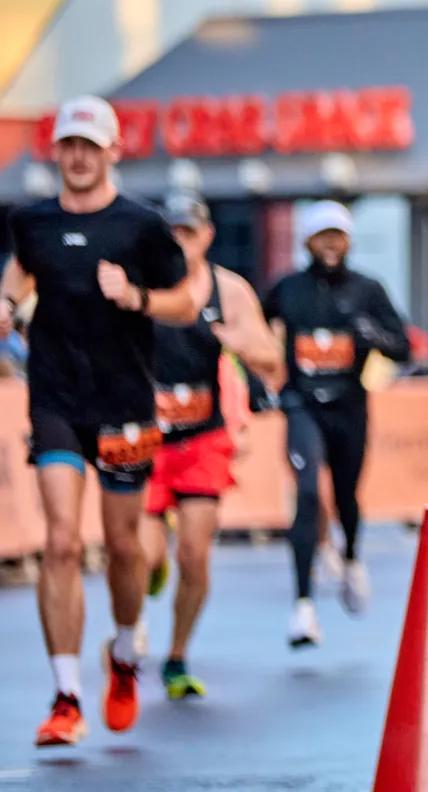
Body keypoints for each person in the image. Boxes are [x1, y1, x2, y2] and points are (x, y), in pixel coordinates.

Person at [3, 96, 198, 746]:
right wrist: (7, 299)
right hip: (56, 398)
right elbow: (26, 269)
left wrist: (138, 296)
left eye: (91, 144)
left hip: (125, 404)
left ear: (114, 150)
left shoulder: (141, 227)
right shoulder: (32, 221)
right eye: (68, 145)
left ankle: (121, 654)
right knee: (59, 542)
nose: (79, 156)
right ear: (56, 152)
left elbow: (187, 302)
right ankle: (65, 696)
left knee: (123, 547)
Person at [138, 194, 285, 699]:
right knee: (142, 552)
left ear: (207, 236)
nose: (182, 240)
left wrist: (237, 341)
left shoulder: (229, 289)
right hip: (147, 439)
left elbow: (270, 357)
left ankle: (176, 656)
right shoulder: (143, 285)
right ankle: (145, 580)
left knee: (195, 556)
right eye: (173, 231)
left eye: (190, 231)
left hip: (203, 438)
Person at [264, 201, 411, 648]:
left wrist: (376, 337)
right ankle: (303, 606)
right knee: (307, 492)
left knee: (347, 494)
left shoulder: (368, 289)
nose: (330, 244)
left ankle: (350, 557)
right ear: (307, 242)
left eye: (338, 236)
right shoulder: (287, 289)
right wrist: (256, 380)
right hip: (302, 404)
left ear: (348, 241)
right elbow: (253, 333)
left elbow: (405, 347)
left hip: (349, 406)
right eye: (322, 236)